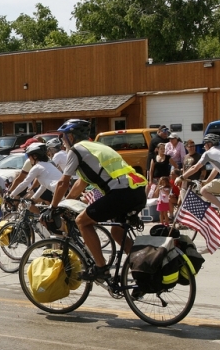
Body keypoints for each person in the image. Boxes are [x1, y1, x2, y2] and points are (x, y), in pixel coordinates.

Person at [46, 119, 147, 282]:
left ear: (71, 136)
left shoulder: (76, 150)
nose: (62, 141)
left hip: (121, 193)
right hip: (137, 191)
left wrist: (53, 206)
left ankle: (101, 268)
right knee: (117, 232)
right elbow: (81, 182)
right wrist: (66, 202)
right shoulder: (97, 147)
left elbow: (63, 182)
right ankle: (143, 270)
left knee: (82, 221)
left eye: (62, 137)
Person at [180, 133, 220, 216]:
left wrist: (182, 177)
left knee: (204, 191)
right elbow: (216, 169)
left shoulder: (208, 153)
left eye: (205, 143)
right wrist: (207, 181)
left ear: (209, 144)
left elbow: (195, 168)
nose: (204, 146)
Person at [7, 142, 63, 214]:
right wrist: (34, 198)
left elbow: (24, 184)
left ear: (35, 156)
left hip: (58, 191)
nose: (28, 158)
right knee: (57, 216)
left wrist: (11, 195)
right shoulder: (48, 164)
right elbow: (43, 186)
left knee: (48, 217)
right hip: (60, 190)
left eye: (28, 156)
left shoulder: (37, 167)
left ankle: (41, 216)